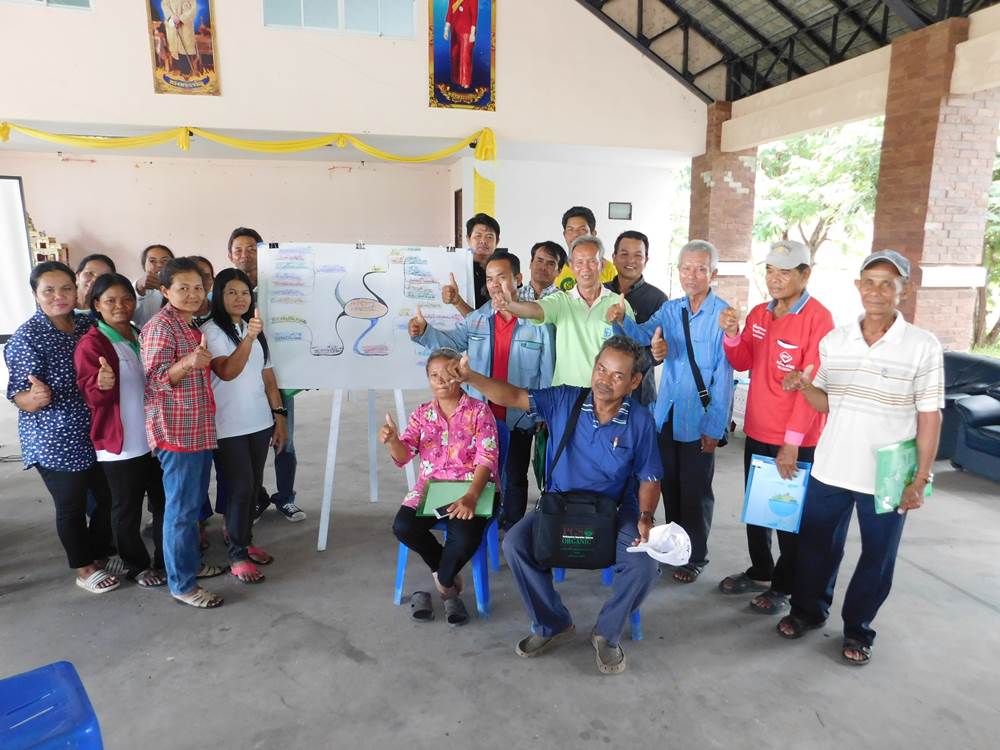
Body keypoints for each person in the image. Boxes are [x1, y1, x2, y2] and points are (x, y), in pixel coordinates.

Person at [446, 337, 662, 674]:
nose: (604, 380)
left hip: (614, 512)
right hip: (560, 507)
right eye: (601, 369)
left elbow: (650, 477)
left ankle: (607, 633)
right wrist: (470, 377)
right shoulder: (565, 399)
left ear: (634, 381)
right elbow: (513, 396)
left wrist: (646, 517)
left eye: (617, 375)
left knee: (645, 562)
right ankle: (552, 623)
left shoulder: (641, 420)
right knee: (515, 543)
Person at [777, 250, 943, 666]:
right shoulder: (836, 341)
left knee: (877, 556)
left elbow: (930, 416)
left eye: (888, 283)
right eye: (869, 282)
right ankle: (807, 611)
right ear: (858, 286)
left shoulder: (922, 346)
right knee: (816, 546)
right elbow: (825, 402)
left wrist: (921, 477)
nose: (877, 291)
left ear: (904, 291)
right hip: (832, 465)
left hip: (888, 475)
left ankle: (858, 628)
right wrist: (803, 386)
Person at [716, 241, 834, 614]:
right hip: (758, 429)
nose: (775, 279)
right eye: (770, 270)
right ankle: (761, 571)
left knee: (786, 517)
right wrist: (732, 334)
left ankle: (784, 586)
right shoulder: (760, 313)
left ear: (805, 274)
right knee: (758, 511)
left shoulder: (819, 319)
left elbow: (812, 387)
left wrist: (792, 442)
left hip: (794, 439)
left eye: (785, 272)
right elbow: (743, 360)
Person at [610, 240, 733, 584]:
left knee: (696, 491)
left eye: (700, 269)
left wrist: (715, 427)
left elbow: (724, 377)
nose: (692, 275)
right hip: (666, 415)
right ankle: (678, 547)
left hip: (700, 419)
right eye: (686, 268)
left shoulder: (722, 316)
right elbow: (642, 335)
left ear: (713, 273)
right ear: (678, 271)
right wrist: (622, 321)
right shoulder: (671, 309)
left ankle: (696, 556)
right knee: (672, 487)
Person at [409, 250, 555, 529]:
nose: (495, 285)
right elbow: (451, 344)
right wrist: (425, 331)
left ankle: (511, 528)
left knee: (514, 474)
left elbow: (547, 370)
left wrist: (543, 412)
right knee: (481, 472)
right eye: (489, 279)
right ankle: (482, 524)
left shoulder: (537, 323)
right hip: (481, 416)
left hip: (519, 415)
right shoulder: (478, 318)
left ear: (518, 279)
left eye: (502, 277)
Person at [5, 261, 118, 594]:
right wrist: (34, 397)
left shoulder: (86, 324)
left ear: (77, 288)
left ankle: (99, 552)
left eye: (66, 288)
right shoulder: (27, 337)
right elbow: (19, 396)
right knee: (71, 504)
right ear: (35, 294)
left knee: (108, 497)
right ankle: (84, 567)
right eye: (49, 290)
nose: (59, 296)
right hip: (53, 436)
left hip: (93, 429)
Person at [381, 348, 499, 626]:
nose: (442, 380)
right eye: (434, 375)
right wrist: (393, 440)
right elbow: (403, 456)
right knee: (403, 526)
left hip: (472, 486)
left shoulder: (479, 411)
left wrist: (471, 496)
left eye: (449, 373)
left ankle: (445, 584)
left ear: (460, 375)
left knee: (465, 538)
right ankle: (444, 576)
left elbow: (487, 458)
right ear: (428, 379)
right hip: (431, 487)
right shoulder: (422, 414)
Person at [142, 257, 227, 609]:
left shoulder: (189, 323)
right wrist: (188, 362)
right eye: (183, 288)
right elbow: (154, 382)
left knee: (191, 507)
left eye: (198, 287)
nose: (193, 294)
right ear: (165, 290)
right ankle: (182, 584)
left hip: (196, 428)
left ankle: (189, 566)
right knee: (180, 511)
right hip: (176, 432)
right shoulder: (161, 326)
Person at [75, 273, 166, 588]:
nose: (120, 306)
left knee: (163, 502)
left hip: (154, 438)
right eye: (110, 300)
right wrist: (100, 385)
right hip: (122, 443)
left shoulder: (140, 334)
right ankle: (137, 565)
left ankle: (165, 559)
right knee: (127, 509)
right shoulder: (92, 343)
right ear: (96, 305)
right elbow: (90, 395)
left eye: (126, 299)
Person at [202, 269, 287, 583]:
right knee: (239, 488)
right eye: (231, 292)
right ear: (219, 296)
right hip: (228, 426)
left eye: (244, 293)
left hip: (259, 422)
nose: (240, 298)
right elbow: (226, 371)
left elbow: (268, 378)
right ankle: (237, 553)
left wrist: (279, 418)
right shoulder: (211, 331)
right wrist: (249, 338)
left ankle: (245, 540)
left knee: (253, 488)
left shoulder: (253, 329)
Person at [225, 226, 306, 522]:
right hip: (243, 380)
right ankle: (256, 498)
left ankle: (285, 497)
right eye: (238, 250)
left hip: (278, 376)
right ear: (230, 255)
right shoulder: (225, 291)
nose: (244, 255)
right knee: (250, 442)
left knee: (285, 440)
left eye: (251, 249)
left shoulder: (281, 287)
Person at [495, 235, 634, 387]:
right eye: (579, 262)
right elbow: (535, 310)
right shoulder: (561, 301)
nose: (585, 268)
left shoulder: (619, 304)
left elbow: (633, 350)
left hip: (606, 392)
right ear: (571, 266)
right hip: (565, 394)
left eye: (592, 261)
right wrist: (510, 305)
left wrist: (623, 322)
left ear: (602, 265)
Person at [604, 230, 668, 406]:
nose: (630, 260)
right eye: (624, 254)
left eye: (638, 255)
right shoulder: (601, 292)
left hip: (639, 393)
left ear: (646, 260)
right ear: (614, 257)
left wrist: (622, 366)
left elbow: (657, 354)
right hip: (600, 388)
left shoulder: (658, 299)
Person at [442, 213, 500, 316]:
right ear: (468, 239)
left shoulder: (504, 268)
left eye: (489, 236)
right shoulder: (457, 269)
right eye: (478, 236)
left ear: (497, 241)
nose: (483, 241)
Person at [553, 207, 617, 291]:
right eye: (570, 229)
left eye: (582, 229)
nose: (575, 234)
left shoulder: (608, 269)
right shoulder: (555, 269)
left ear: (593, 234)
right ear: (564, 234)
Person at [134, 244, 174, 328]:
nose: (159, 265)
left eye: (165, 260)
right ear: (144, 266)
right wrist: (138, 288)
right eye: (152, 261)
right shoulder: (139, 288)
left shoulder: (181, 286)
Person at [444, 0, 477, 89]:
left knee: (465, 57)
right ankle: (456, 79)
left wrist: (472, 33)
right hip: (455, 30)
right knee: (455, 55)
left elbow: (474, 14)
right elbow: (450, 12)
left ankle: (465, 81)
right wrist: (446, 29)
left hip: (467, 31)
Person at [190, 255, 215, 325]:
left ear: (213, 280)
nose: (202, 281)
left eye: (206, 276)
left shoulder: (222, 311)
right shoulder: (172, 317)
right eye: (196, 276)